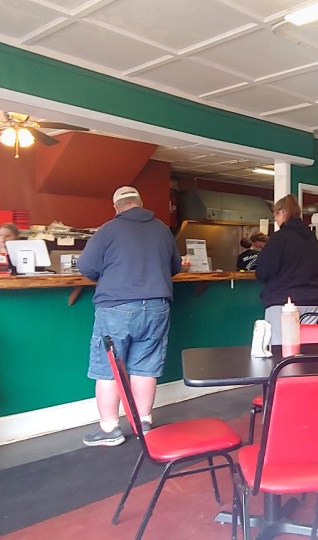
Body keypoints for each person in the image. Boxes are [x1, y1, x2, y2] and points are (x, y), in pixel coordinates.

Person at [76, 186, 181, 447]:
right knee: (146, 367)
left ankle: (110, 428)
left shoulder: (108, 230)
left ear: (116, 207)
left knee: (109, 368)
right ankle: (144, 423)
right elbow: (175, 267)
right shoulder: (162, 229)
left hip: (117, 307)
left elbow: (87, 267)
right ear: (140, 203)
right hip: (157, 306)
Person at [256, 195, 318, 344]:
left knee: (281, 351)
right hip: (311, 301)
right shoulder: (312, 239)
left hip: (283, 301)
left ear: (282, 212)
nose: (276, 220)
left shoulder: (279, 238)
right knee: (307, 349)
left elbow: (263, 271)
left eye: (276, 216)